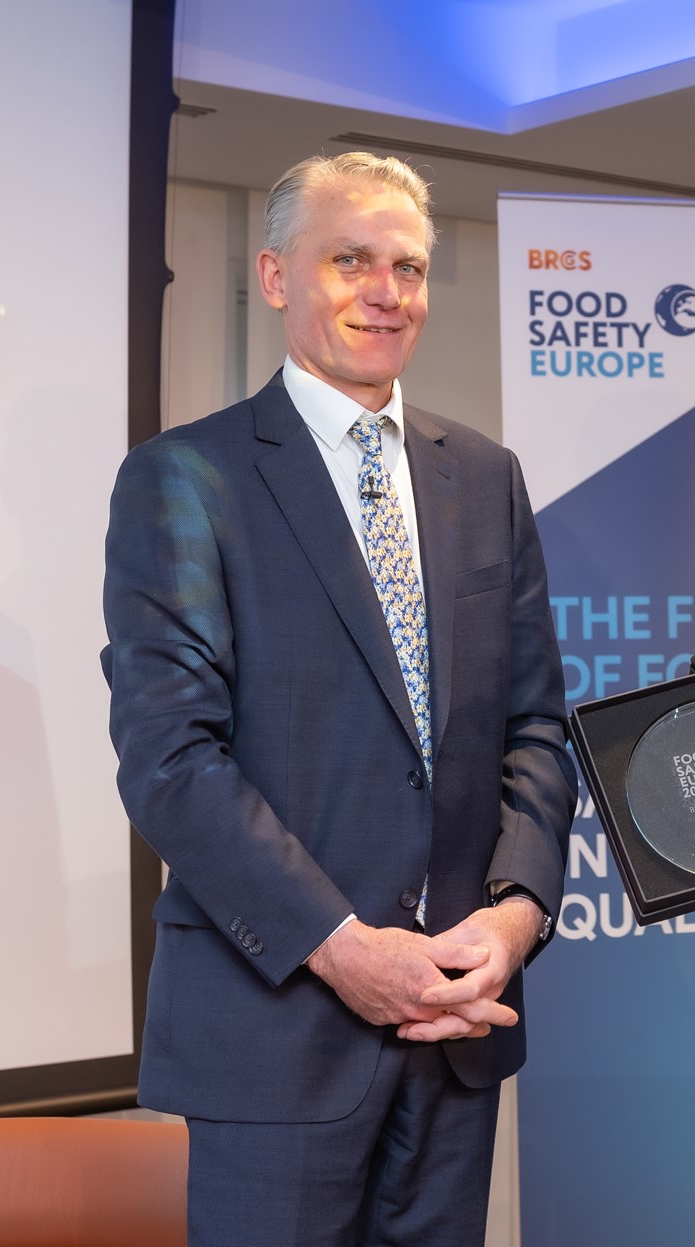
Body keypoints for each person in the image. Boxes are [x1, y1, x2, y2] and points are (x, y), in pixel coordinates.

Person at [102, 152, 576, 1247]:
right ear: (276, 277)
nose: (385, 291)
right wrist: (341, 945)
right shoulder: (186, 477)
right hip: (275, 1031)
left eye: (407, 267)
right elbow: (171, 756)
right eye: (349, 260)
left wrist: (515, 914)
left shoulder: (485, 475)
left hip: (457, 1020)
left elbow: (534, 725)